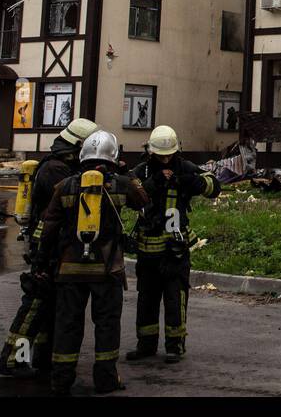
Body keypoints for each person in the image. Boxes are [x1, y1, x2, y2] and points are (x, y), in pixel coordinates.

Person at [39, 130, 147, 395]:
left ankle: (61, 380)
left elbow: (49, 228)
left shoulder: (65, 186)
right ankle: (106, 380)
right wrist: (129, 173)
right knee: (107, 325)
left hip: (69, 271)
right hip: (106, 270)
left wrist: (43, 264)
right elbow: (143, 200)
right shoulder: (120, 185)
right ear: (113, 157)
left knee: (67, 326)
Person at [0, 117, 99, 378]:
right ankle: (12, 359)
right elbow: (69, 202)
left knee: (51, 305)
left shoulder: (60, 165)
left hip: (56, 245)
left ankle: (42, 358)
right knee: (36, 303)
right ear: (77, 146)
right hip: (48, 246)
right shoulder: (55, 170)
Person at [126, 125, 219, 363]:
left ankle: (175, 346)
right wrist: (154, 182)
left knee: (175, 299)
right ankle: (146, 345)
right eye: (161, 155)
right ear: (151, 152)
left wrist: (191, 182)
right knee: (146, 299)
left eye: (169, 154)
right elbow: (131, 199)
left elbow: (213, 186)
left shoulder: (184, 167)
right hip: (148, 248)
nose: (165, 159)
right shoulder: (143, 171)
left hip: (176, 250)